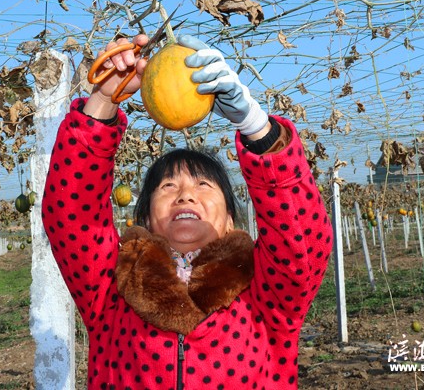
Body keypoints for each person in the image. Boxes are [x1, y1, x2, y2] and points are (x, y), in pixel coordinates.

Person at [42, 32, 333, 389]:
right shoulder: (112, 292)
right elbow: (72, 216)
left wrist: (257, 127)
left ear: (229, 220)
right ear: (147, 219)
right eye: (168, 187)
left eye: (203, 186)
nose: (185, 195)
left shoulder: (264, 295)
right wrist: (104, 100)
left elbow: (302, 239)